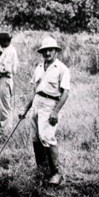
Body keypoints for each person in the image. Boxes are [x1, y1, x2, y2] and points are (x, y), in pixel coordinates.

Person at [20, 37, 70, 186]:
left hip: (50, 104)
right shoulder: (39, 67)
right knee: (36, 137)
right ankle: (41, 169)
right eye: (44, 51)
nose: (47, 53)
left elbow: (65, 92)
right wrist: (25, 109)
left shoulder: (62, 69)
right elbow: (34, 91)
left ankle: (56, 173)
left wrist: (55, 112)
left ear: (56, 52)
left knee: (47, 137)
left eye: (50, 50)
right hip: (37, 103)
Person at [0, 32, 19, 131]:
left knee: (4, 106)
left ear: (7, 41)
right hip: (0, 79)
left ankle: (6, 129)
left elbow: (6, 69)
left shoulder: (10, 51)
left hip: (5, 79)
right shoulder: (5, 51)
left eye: (1, 41)